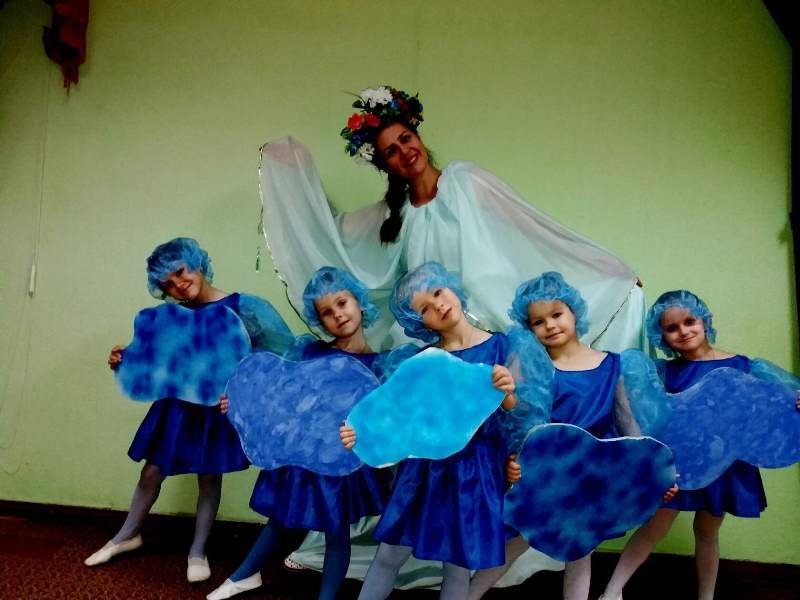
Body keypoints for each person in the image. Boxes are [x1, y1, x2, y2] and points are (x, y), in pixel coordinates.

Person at [259, 85, 645, 356]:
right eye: (391, 152)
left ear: (418, 136)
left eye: (406, 139)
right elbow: (334, 234)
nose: (404, 152)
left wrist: (604, 266)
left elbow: (534, 227)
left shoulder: (465, 181)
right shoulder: (395, 213)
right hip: (437, 339)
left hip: (488, 325)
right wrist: (292, 181)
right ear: (385, 165)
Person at [84, 237, 293, 583]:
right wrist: (124, 360)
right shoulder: (173, 318)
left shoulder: (244, 308)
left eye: (180, 272)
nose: (178, 284)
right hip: (176, 407)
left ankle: (198, 549)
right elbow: (156, 361)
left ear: (198, 263)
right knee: (152, 471)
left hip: (215, 410)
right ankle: (126, 535)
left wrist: (245, 393)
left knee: (209, 478)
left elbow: (279, 357)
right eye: (167, 283)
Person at [468, 272, 676, 600]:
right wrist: (515, 463)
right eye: (538, 322)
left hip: (591, 474)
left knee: (581, 548)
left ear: (574, 312)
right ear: (529, 328)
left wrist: (651, 470)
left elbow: (629, 427)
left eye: (556, 314)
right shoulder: (534, 370)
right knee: (516, 540)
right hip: (548, 474)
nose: (550, 325)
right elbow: (518, 424)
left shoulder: (614, 366)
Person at [207, 266, 392, 600]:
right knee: (280, 518)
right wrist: (237, 402)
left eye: (342, 303)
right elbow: (277, 394)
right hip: (300, 455)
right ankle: (244, 575)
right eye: (327, 312)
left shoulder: (381, 365)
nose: (338, 315)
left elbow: (386, 421)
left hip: (341, 463)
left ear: (359, 302)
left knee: (336, 531)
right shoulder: (310, 352)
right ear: (319, 320)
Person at [339, 262, 518, 599]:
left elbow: (516, 416)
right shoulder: (424, 361)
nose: (437, 305)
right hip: (424, 470)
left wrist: (507, 392)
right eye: (424, 308)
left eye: (437, 292)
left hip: (474, 470)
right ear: (419, 322)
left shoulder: (503, 347)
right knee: (389, 553)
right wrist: (359, 434)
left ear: (452, 288)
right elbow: (394, 415)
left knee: (458, 564)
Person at [598, 290, 772, 600]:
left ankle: (706, 596)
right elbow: (638, 407)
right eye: (672, 328)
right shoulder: (664, 372)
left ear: (704, 321)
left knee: (707, 532)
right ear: (661, 335)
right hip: (679, 465)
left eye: (689, 322)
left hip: (724, 464)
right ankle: (611, 592)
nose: (683, 331)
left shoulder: (742, 366)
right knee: (653, 528)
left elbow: (770, 403)